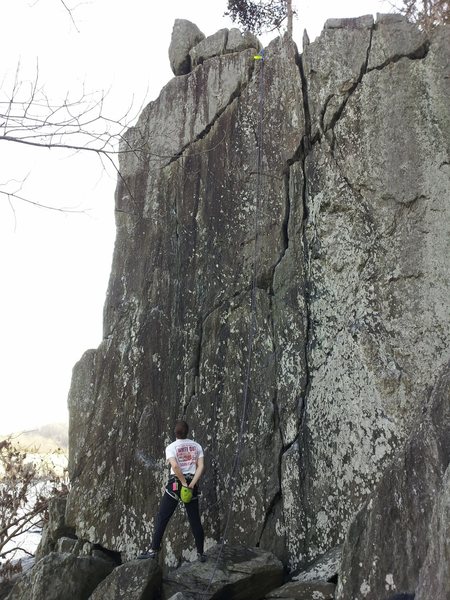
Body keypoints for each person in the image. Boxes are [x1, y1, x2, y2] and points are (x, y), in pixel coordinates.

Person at [138, 420, 206, 562]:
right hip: (191, 486)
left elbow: (175, 466)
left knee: (163, 517)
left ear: (175, 433)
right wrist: (191, 484)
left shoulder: (171, 447)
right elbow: (201, 466)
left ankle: (153, 550)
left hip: (176, 484)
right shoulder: (196, 446)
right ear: (187, 432)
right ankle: (201, 553)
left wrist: (182, 482)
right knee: (195, 520)